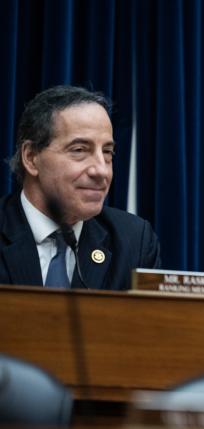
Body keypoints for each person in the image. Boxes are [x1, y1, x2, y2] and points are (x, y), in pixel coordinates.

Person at [0, 85, 160, 290]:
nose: (101, 171)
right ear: (31, 158)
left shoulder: (134, 242)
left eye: (108, 152)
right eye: (79, 150)